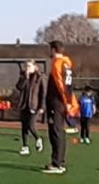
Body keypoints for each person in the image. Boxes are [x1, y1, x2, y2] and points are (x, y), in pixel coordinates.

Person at [44, 41, 75, 174]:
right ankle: (59, 162)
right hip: (62, 102)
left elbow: (61, 85)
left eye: (50, 49)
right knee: (59, 131)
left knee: (55, 131)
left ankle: (57, 163)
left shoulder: (57, 64)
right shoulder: (66, 63)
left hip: (57, 102)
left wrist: (67, 102)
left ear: (54, 50)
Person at [14, 60, 45, 155]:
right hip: (24, 105)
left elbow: (42, 93)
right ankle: (25, 146)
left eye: (29, 66)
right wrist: (25, 78)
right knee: (24, 127)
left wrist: (42, 106)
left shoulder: (39, 77)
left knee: (31, 125)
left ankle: (38, 138)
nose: (27, 68)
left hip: (34, 105)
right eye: (26, 66)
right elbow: (19, 87)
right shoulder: (23, 76)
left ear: (34, 67)